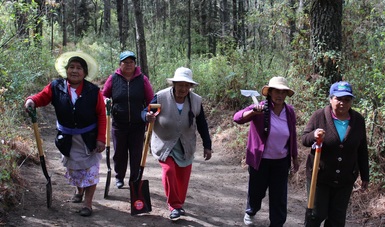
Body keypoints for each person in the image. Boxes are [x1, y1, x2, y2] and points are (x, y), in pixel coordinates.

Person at [24, 51, 106, 217]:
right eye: (71, 67)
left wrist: (100, 139)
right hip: (67, 139)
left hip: (88, 139)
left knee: (90, 171)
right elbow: (42, 97)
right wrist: (32, 100)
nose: (74, 71)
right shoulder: (56, 86)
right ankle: (79, 190)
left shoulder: (93, 91)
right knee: (75, 170)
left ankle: (88, 204)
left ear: (85, 72)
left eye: (79, 68)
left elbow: (101, 115)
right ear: (66, 69)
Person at [144, 67, 212, 220]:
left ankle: (179, 203)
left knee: (182, 178)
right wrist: (147, 116)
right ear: (174, 84)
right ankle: (174, 206)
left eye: (187, 85)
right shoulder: (160, 97)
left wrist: (207, 145)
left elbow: (202, 124)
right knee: (169, 171)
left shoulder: (196, 100)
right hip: (164, 143)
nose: (183, 88)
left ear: (191, 87)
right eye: (180, 85)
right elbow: (146, 111)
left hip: (185, 144)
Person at [233, 76, 299, 227]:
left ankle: (277, 223)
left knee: (279, 195)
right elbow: (237, 118)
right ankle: (251, 211)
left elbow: (293, 135)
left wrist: (294, 157)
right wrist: (253, 113)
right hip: (260, 160)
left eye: (283, 92)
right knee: (257, 191)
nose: (280, 95)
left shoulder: (289, 112)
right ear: (270, 92)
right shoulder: (260, 107)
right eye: (276, 91)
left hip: (281, 161)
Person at [302, 81, 369, 226]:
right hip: (320, 177)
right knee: (316, 215)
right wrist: (314, 134)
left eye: (347, 99)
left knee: (337, 220)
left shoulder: (358, 121)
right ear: (331, 99)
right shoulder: (319, 116)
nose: (342, 103)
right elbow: (304, 139)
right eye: (338, 99)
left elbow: (362, 149)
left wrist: (365, 175)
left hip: (345, 178)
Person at [102, 50, 154, 189]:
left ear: (135, 64)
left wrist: (150, 114)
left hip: (138, 124)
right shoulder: (113, 78)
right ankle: (119, 177)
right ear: (120, 64)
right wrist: (106, 100)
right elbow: (103, 95)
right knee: (119, 153)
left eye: (131, 62)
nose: (129, 65)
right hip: (119, 124)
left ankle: (134, 180)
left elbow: (151, 100)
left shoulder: (142, 79)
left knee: (136, 154)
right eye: (125, 62)